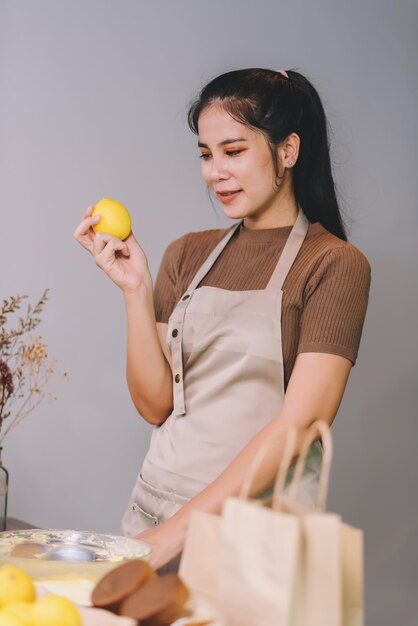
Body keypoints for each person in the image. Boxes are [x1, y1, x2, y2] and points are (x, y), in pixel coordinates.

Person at [74, 68, 371, 571]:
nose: (215, 172)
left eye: (233, 151)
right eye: (206, 155)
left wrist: (171, 538)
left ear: (288, 151)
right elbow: (154, 405)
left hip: (249, 539)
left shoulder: (333, 264)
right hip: (151, 512)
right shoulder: (187, 253)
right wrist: (136, 292)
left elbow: (297, 428)